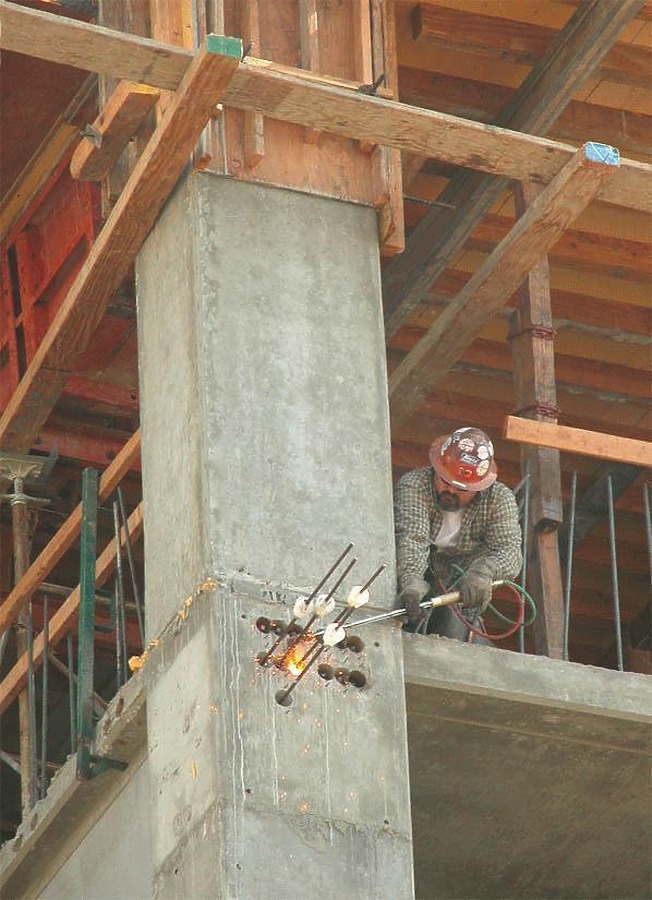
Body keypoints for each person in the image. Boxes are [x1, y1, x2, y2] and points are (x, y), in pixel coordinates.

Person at [394, 426, 522, 639]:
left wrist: (483, 572)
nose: (451, 491)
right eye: (445, 481)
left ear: (479, 487)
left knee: (452, 631)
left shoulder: (499, 499)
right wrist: (411, 581)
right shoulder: (414, 485)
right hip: (419, 570)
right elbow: (412, 538)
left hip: (461, 582)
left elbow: (509, 551)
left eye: (462, 489)